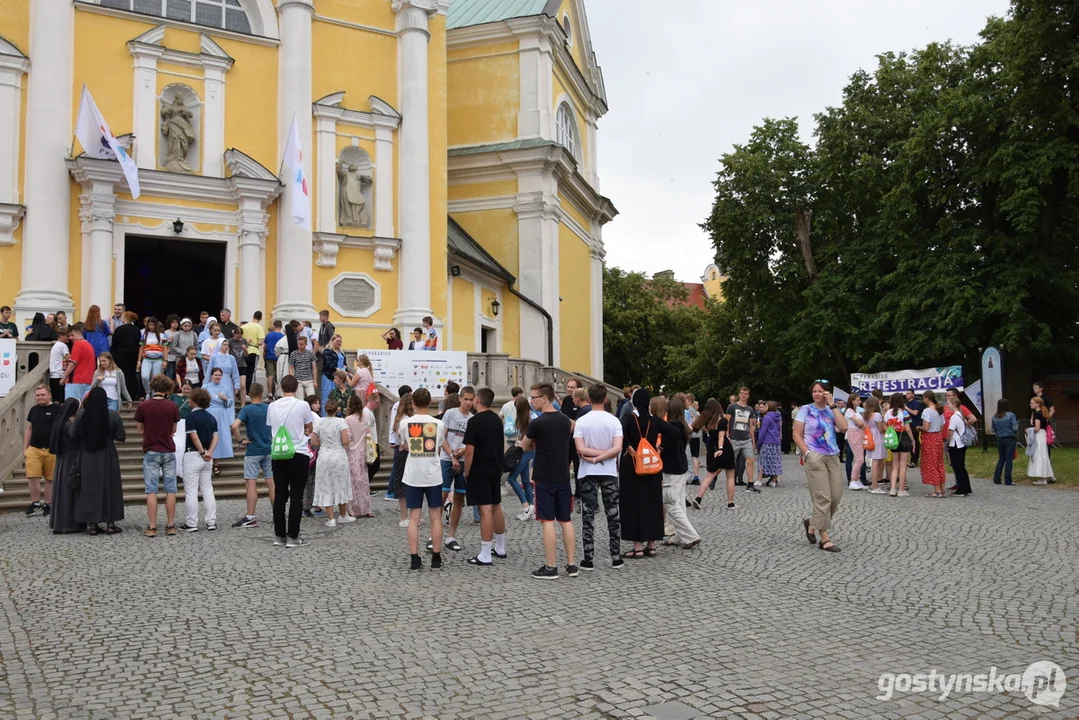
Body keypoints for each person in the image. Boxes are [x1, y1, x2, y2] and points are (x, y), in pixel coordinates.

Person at [522, 383, 577, 579]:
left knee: (547, 521)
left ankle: (551, 566)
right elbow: (571, 431)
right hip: (563, 474)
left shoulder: (537, 423)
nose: (532, 401)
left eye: (534, 398)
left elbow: (524, 445)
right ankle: (571, 564)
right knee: (566, 520)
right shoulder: (565, 420)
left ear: (544, 398)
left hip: (544, 476)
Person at [794, 381, 847, 552]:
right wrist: (807, 453)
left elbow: (844, 427)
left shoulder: (832, 409)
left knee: (836, 496)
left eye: (821, 391)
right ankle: (824, 539)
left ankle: (813, 523)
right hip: (815, 455)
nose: (817, 394)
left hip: (833, 456)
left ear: (827, 393)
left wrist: (832, 404)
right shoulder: (805, 410)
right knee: (822, 497)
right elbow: (796, 434)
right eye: (814, 391)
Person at [398, 388, 446, 571]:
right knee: (435, 518)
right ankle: (436, 557)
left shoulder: (405, 424)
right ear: (430, 401)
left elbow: (406, 445)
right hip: (432, 474)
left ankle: (414, 559)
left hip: (413, 475)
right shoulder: (438, 424)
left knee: (413, 519)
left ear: (413, 403)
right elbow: (439, 447)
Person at [618, 388, 668, 558]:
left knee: (632, 504)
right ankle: (652, 545)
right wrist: (660, 449)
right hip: (651, 465)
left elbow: (618, 432)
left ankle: (637, 547)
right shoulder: (655, 420)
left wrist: (628, 447)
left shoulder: (628, 418)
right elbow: (675, 432)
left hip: (632, 465)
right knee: (652, 503)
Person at [268, 376, 317, 547]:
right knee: (297, 496)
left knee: (280, 494)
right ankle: (293, 536)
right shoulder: (302, 405)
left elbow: (272, 427)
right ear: (296, 388)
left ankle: (279, 535)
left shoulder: (271, 406)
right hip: (298, 452)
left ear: (281, 388)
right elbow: (309, 428)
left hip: (278, 453)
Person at [71, 387, 126, 535]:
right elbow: (121, 436)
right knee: (110, 486)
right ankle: (110, 523)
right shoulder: (113, 415)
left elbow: (73, 433)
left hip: (87, 454)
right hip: (107, 454)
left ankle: (92, 524)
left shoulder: (82, 414)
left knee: (89, 487)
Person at [463, 388, 508, 566]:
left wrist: (467, 471)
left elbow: (469, 451)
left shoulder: (474, 422)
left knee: (485, 510)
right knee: (496, 506)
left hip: (479, 469)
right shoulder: (497, 419)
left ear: (478, 400)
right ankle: (500, 546)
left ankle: (485, 553)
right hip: (495, 467)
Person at [135, 374, 180, 537]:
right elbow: (174, 430)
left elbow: (140, 430)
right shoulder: (172, 406)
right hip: (168, 449)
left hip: (151, 449)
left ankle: (152, 526)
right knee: (171, 489)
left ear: (153, 388)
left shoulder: (143, 406)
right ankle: (170, 525)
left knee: (151, 490)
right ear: (167, 389)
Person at [657, 395, 701, 551]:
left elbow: (663, 448)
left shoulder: (672, 427)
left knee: (670, 502)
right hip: (681, 467)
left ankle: (690, 535)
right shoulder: (683, 425)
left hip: (672, 468)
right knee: (680, 502)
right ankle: (679, 535)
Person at [231, 383, 275, 528]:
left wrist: (240, 440)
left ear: (250, 394)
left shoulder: (247, 409)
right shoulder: (269, 408)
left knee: (251, 483)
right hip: (269, 448)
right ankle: (277, 513)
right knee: (271, 482)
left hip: (253, 450)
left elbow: (234, 426)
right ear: (262, 394)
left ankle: (250, 516)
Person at [436, 385, 474, 553]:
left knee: (459, 498)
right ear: (460, 398)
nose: (468, 402)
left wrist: (463, 451)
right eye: (465, 399)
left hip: (463, 460)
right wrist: (451, 455)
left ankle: (451, 536)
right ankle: (434, 534)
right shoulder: (450, 414)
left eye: (471, 400)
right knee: (442, 495)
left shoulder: (472, 419)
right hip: (447, 459)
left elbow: (471, 443)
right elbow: (441, 437)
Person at [180, 388, 219, 532]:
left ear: (195, 400)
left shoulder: (191, 417)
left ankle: (191, 523)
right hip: (207, 457)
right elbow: (216, 437)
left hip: (193, 455)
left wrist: (202, 451)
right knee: (208, 489)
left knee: (191, 491)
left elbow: (193, 436)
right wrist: (209, 452)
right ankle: (211, 521)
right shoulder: (211, 417)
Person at [312, 398, 354, 528]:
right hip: (338, 456)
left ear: (325, 409)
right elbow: (346, 442)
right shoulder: (341, 422)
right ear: (337, 409)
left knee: (325, 485)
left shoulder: (319, 423)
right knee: (341, 483)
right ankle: (342, 515)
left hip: (324, 456)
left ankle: (330, 518)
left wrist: (323, 443)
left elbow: (313, 442)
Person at [691, 399, 736, 510]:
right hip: (724, 448)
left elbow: (693, 428)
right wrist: (721, 448)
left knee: (709, 475)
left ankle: (698, 498)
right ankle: (730, 503)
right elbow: (721, 436)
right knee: (730, 477)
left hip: (712, 449)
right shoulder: (723, 420)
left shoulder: (707, 421)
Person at [47, 398, 83, 534]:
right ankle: (69, 523)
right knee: (68, 491)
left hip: (63, 459)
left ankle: (61, 522)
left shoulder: (60, 422)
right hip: (71, 458)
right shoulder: (68, 425)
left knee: (62, 490)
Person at [23, 385, 59, 517]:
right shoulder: (34, 410)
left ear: (49, 395)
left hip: (51, 450)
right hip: (34, 448)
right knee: (32, 476)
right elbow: (29, 429)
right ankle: (36, 503)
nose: (40, 397)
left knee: (50, 479)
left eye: (42, 395)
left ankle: (48, 504)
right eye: (38, 395)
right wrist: (25, 448)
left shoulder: (57, 409)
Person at [505, 394, 536, 521]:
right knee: (525, 481)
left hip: (525, 451)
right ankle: (531, 509)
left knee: (511, 478)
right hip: (529, 451)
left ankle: (526, 506)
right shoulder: (531, 416)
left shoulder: (526, 418)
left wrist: (521, 441)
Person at [344, 394, 374, 519]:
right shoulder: (365, 417)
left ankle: (353, 509)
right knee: (363, 482)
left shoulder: (348, 419)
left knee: (353, 482)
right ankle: (366, 508)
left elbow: (348, 437)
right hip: (362, 452)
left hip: (351, 452)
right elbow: (368, 432)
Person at [203, 367, 236, 476]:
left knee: (219, 438)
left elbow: (230, 403)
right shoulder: (205, 387)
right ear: (211, 375)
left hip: (221, 415)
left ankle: (216, 463)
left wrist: (225, 398)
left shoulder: (225, 387)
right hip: (208, 413)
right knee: (208, 436)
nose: (217, 377)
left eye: (219, 375)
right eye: (215, 375)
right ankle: (206, 460)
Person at [727, 387, 759, 491]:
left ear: (748, 396)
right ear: (739, 395)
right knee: (729, 461)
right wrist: (727, 436)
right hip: (734, 438)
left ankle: (750, 484)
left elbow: (751, 426)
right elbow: (726, 422)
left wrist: (753, 441)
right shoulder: (732, 406)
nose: (744, 395)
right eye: (742, 393)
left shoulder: (750, 409)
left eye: (746, 393)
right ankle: (714, 476)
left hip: (746, 438)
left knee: (750, 459)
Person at [884, 393, 915, 497]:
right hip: (904, 437)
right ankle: (901, 489)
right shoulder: (904, 412)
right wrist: (913, 440)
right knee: (903, 465)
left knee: (895, 465)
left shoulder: (888, 412)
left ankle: (893, 488)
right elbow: (908, 428)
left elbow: (885, 424)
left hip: (893, 438)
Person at [918, 391, 947, 497]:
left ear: (926, 398)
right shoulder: (939, 409)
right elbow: (942, 426)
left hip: (929, 438)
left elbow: (926, 427)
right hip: (938, 437)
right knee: (939, 463)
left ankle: (937, 489)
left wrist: (919, 428)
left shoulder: (927, 411)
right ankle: (942, 488)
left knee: (931, 463)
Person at [111, 312, 142, 401]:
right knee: (131, 374)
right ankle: (132, 394)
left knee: (121, 375)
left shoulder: (120, 329)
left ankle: (121, 394)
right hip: (133, 355)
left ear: (125, 318)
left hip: (121, 355)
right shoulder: (137, 330)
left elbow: (114, 343)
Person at [61, 324, 96, 402]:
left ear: (78, 332)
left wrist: (64, 377)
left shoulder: (78, 344)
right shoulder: (89, 346)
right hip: (88, 380)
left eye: (72, 335)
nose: (70, 338)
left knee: (71, 407)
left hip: (75, 380)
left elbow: (73, 363)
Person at [946, 395, 973, 496]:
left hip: (956, 444)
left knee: (958, 467)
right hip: (961, 444)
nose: (948, 405)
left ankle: (961, 489)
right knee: (961, 466)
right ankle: (966, 488)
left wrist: (948, 442)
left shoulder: (954, 417)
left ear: (954, 404)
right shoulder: (961, 415)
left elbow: (950, 431)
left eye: (949, 403)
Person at [137, 316, 167, 397]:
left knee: (156, 379)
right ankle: (148, 392)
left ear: (156, 325)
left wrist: (165, 360)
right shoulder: (144, 335)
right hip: (146, 359)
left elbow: (165, 348)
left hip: (158, 360)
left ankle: (154, 395)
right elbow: (141, 348)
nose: (151, 327)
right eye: (149, 325)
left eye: (152, 325)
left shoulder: (162, 335)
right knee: (144, 376)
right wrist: (139, 361)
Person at [991, 398, 1018, 486]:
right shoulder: (1011, 415)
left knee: (1001, 458)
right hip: (1010, 438)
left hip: (1000, 438)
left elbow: (993, 429)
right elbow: (1015, 428)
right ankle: (1008, 480)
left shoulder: (995, 416)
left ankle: (997, 479)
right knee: (1009, 459)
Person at [863, 397, 888, 494]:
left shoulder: (866, 415)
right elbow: (881, 429)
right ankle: (874, 486)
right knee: (876, 462)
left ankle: (874, 484)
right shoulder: (877, 415)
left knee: (874, 461)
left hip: (870, 436)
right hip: (877, 437)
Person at [1027, 397, 1054, 485]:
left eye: (1032, 403)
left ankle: (1043, 478)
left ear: (1037, 404)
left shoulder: (1037, 414)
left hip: (1039, 436)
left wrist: (1028, 430)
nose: (1030, 404)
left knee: (1039, 455)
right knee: (1043, 454)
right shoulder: (1043, 413)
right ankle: (1047, 475)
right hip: (1043, 434)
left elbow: (1037, 428)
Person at [757, 400, 784, 488]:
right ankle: (773, 481)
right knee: (775, 461)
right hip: (776, 442)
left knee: (762, 460)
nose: (765, 407)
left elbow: (763, 431)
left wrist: (759, 444)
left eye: (766, 406)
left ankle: (759, 479)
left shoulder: (767, 417)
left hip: (767, 441)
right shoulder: (777, 416)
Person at [241, 311, 265, 394]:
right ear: (261, 318)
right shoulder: (259, 327)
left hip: (243, 351)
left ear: (253, 316)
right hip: (254, 351)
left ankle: (241, 391)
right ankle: (247, 391)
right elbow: (260, 342)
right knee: (251, 372)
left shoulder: (244, 326)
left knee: (243, 371)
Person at [289, 334, 318, 399]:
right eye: (298, 344)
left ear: (306, 344)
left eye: (302, 344)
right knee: (299, 399)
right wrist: (293, 379)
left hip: (309, 380)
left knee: (312, 398)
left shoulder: (310, 353)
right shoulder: (294, 354)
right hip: (298, 380)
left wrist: (315, 381)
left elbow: (314, 367)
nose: (300, 346)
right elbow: (291, 367)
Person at [48, 328, 71, 403]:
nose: (69, 338)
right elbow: (69, 359)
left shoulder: (56, 345)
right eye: (67, 336)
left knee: (56, 399)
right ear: (61, 335)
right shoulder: (63, 345)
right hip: (59, 375)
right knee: (61, 400)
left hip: (53, 376)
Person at [264, 320, 284, 396]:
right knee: (279, 375)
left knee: (270, 375)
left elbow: (265, 347)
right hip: (279, 357)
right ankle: (278, 392)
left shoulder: (269, 335)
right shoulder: (283, 336)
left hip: (269, 356)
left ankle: (270, 394)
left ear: (273, 325)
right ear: (281, 326)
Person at [904, 390, 923, 468]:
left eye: (908, 393)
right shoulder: (907, 403)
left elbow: (915, 413)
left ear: (913, 395)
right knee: (909, 443)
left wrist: (906, 408)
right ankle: (910, 459)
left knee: (915, 443)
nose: (907, 395)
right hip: (907, 425)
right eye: (906, 394)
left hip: (914, 425)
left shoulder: (916, 403)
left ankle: (914, 460)